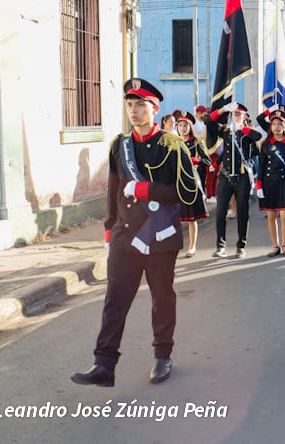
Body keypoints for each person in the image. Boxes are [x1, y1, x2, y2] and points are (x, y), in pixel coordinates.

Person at [71, 78, 198, 387]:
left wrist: (144, 188)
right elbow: (114, 189)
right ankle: (104, 364)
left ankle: (162, 356)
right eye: (130, 105)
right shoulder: (120, 145)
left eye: (140, 105)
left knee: (161, 299)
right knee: (115, 300)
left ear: (154, 109)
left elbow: (187, 192)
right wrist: (108, 230)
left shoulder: (172, 144)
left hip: (160, 236)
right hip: (125, 236)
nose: (134, 111)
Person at [206, 101, 262, 258]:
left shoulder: (247, 132)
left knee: (242, 212)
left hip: (243, 176)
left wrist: (242, 128)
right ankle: (220, 246)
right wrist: (223, 109)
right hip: (226, 176)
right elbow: (210, 122)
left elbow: (257, 136)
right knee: (221, 212)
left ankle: (241, 246)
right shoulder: (226, 130)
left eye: (239, 114)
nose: (235, 116)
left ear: (244, 116)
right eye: (234, 113)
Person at [256, 108, 285, 257]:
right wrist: (259, 185)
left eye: (280, 123)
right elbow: (261, 166)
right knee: (271, 216)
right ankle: (275, 245)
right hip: (269, 184)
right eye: (274, 123)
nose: (276, 126)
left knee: (284, 216)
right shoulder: (265, 144)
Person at [175, 110, 210, 258]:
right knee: (172, 218)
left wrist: (197, 161)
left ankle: (192, 246)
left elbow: (207, 161)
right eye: (180, 125)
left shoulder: (196, 143)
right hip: (176, 184)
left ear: (190, 127)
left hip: (191, 183)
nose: (183, 128)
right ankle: (174, 246)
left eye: (185, 125)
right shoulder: (173, 142)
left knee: (191, 218)